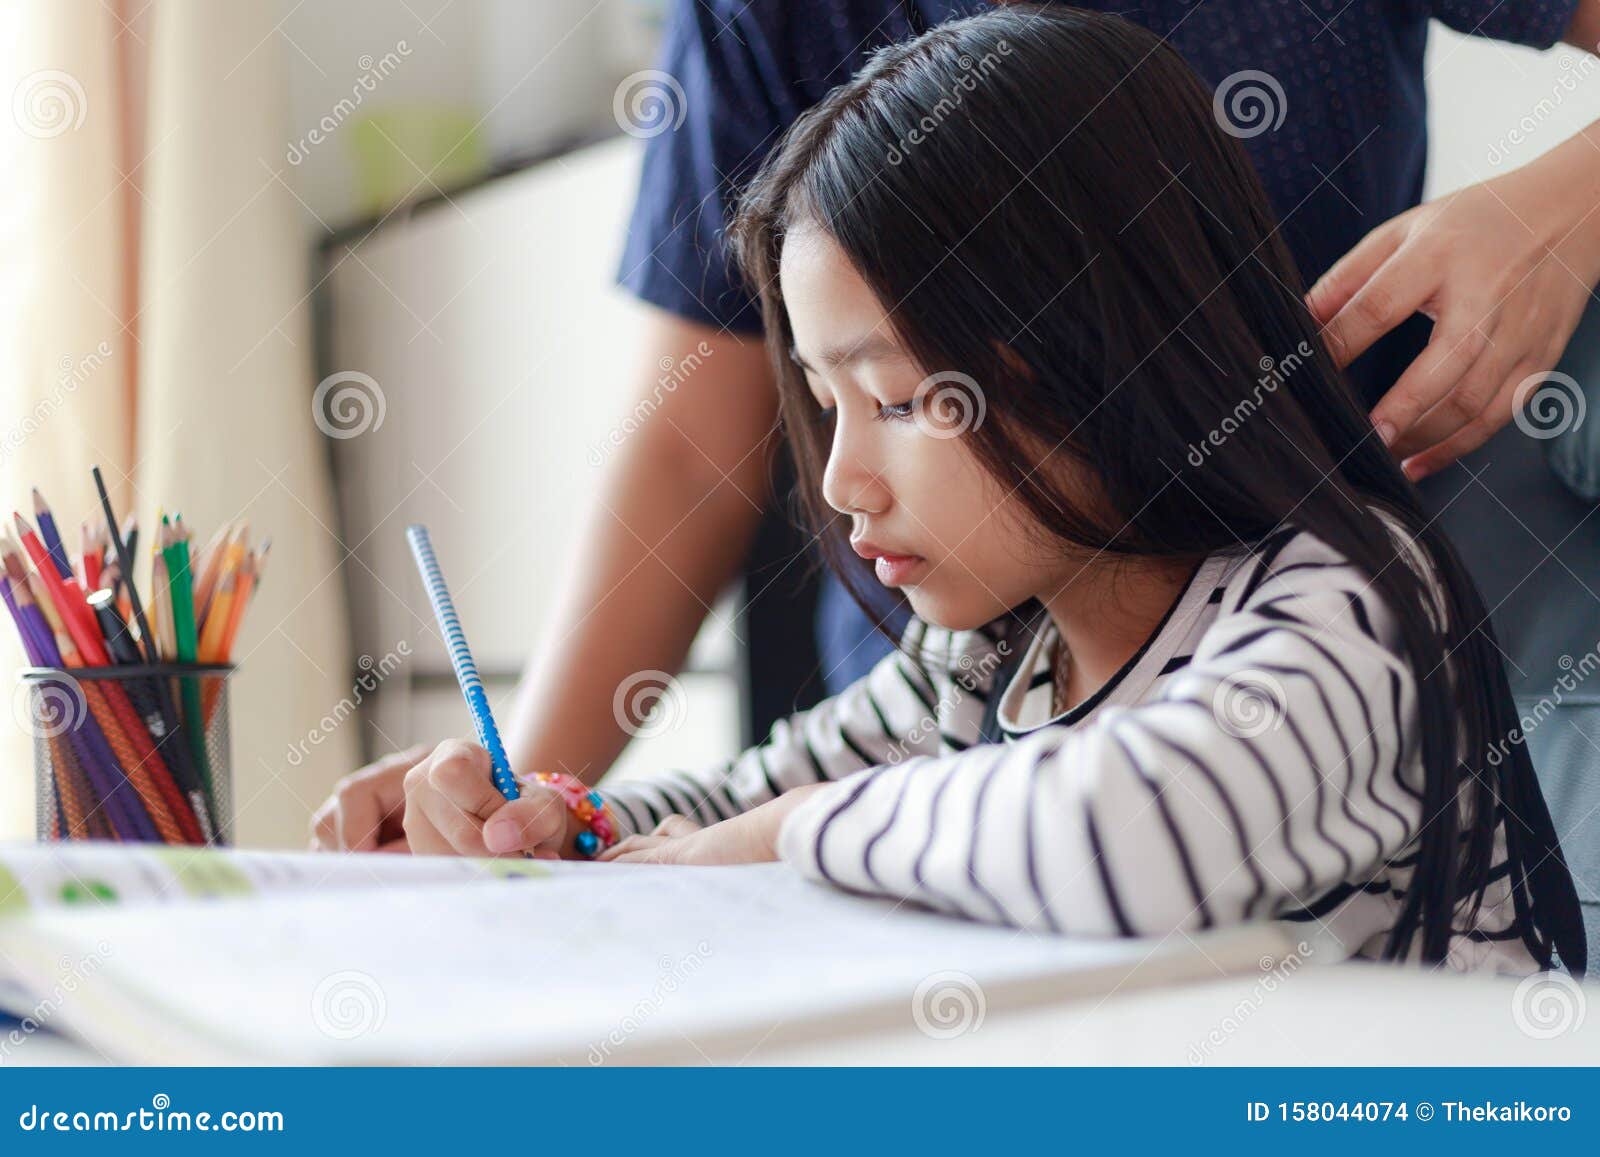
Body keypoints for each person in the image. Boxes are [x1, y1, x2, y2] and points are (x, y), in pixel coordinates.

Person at [386, 7, 1586, 972]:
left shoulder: (1349, 608)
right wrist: (553, 822)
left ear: (1106, 353)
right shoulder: (981, 659)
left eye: (904, 398)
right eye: (825, 399)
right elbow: (731, 798)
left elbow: (1131, 838)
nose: (843, 481)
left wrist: (773, 840)